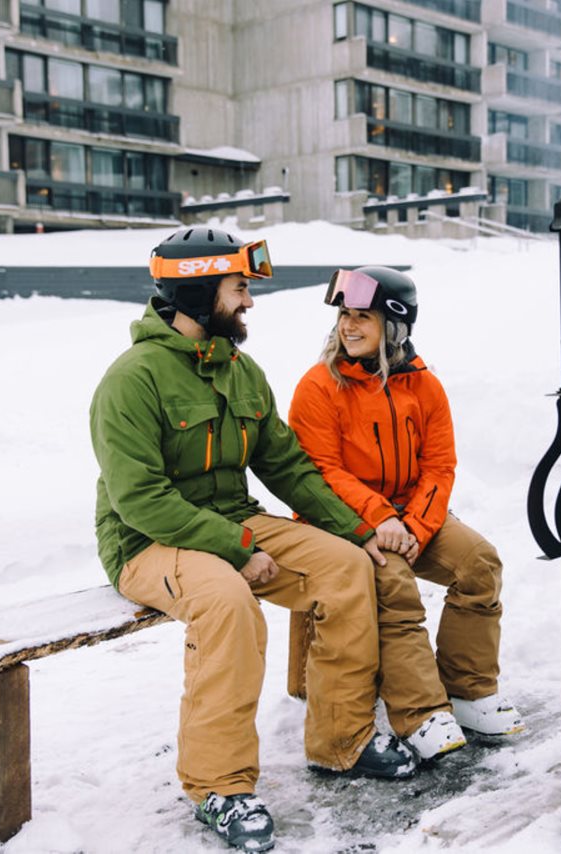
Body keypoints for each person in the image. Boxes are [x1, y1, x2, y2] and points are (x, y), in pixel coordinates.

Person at [89, 231, 417, 854]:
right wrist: (237, 548)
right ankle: (220, 786)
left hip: (232, 520)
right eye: (239, 289)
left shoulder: (240, 371)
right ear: (198, 291)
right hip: (147, 542)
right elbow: (141, 500)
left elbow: (288, 466)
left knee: (347, 569)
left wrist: (359, 530)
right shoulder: (131, 380)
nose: (249, 302)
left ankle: (341, 741)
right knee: (228, 604)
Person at [288, 266, 524, 764]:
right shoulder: (318, 386)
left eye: (362, 318)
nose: (348, 327)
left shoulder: (423, 386)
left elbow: (440, 466)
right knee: (395, 583)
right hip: (342, 520)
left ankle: (468, 690)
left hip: (407, 516)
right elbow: (322, 470)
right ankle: (420, 712)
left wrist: (415, 525)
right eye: (344, 317)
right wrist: (380, 519)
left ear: (393, 328)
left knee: (480, 563)